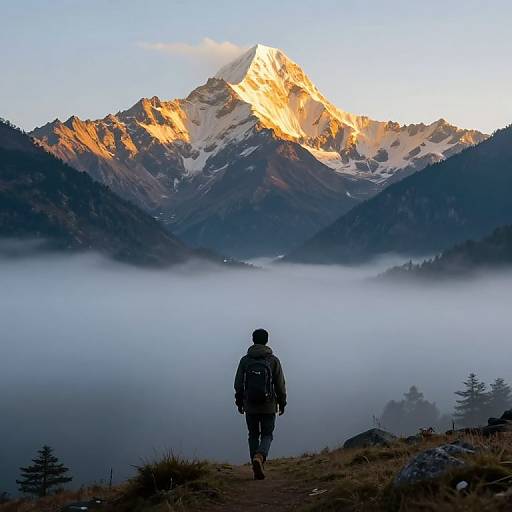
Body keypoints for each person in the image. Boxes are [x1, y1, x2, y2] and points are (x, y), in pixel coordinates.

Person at [234, 328, 287, 480]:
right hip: (269, 405)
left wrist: (239, 402)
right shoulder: (273, 360)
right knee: (267, 434)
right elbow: (280, 384)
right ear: (267, 340)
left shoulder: (245, 360)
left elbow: (238, 384)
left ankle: (255, 463)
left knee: (253, 435)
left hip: (250, 404)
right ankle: (260, 457)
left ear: (253, 340)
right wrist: (282, 403)